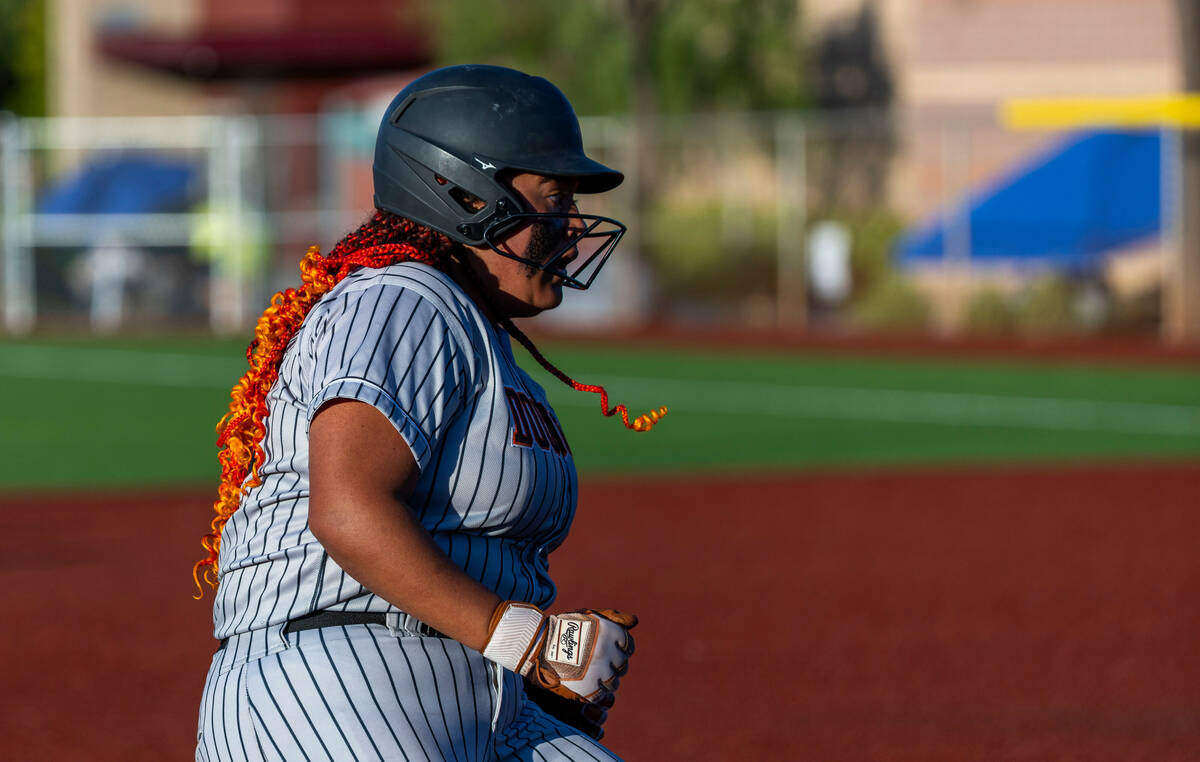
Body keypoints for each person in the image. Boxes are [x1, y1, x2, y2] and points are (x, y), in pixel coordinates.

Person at [192, 65, 666, 762]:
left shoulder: (480, 333)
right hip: (331, 681)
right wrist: (526, 640)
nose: (569, 225)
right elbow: (347, 509)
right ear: (465, 193)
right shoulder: (403, 299)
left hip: (478, 696)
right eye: (552, 196)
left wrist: (542, 659)